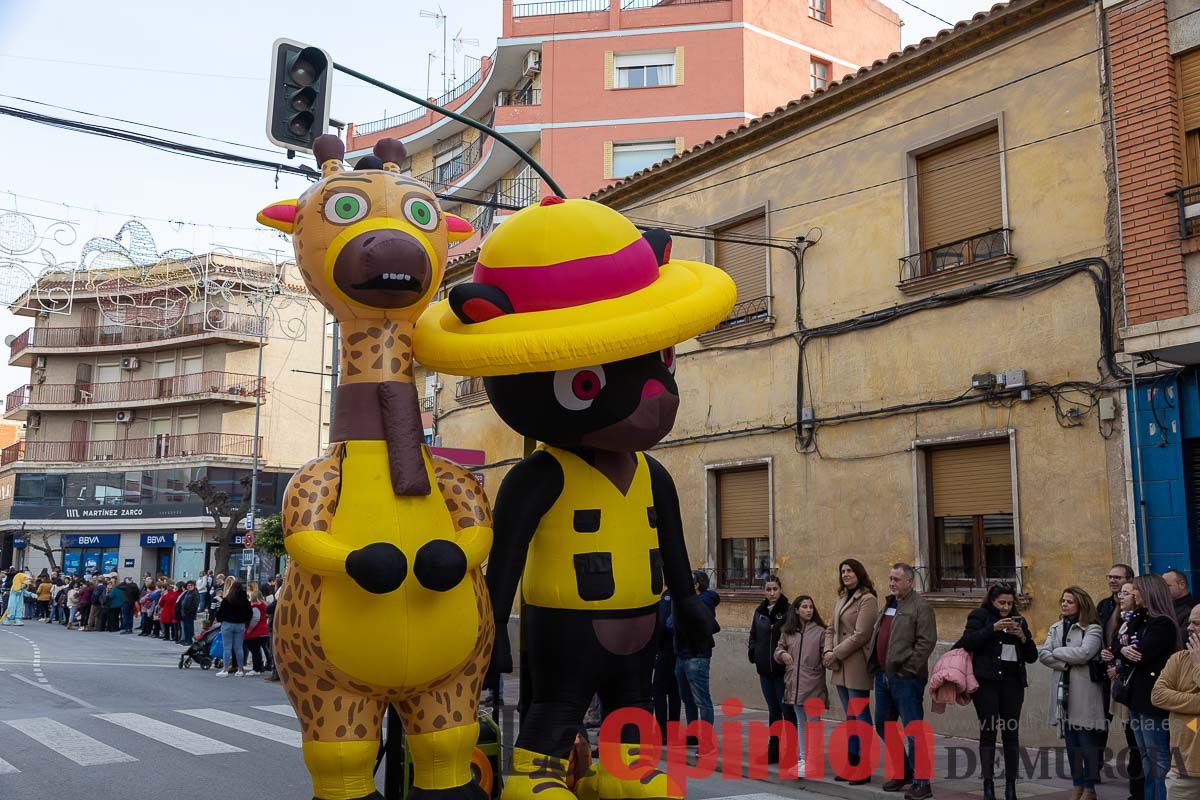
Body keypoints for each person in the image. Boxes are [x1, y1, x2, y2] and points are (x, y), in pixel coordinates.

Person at [957, 583, 1037, 800]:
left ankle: (1011, 787)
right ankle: (988, 785)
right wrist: (992, 629)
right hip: (986, 683)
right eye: (1002, 603)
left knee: (1011, 733)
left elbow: (1032, 656)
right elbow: (967, 642)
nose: (1006, 608)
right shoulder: (980, 616)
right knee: (989, 731)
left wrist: (1022, 636)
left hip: (1013, 684)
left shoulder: (1019, 620)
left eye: (1010, 603)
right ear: (992, 601)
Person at [867, 563, 936, 800]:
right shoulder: (889, 603)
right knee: (884, 725)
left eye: (897, 579)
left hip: (906, 678)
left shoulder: (921, 606)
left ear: (909, 581)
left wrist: (908, 669)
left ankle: (922, 782)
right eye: (890, 579)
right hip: (883, 675)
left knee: (913, 729)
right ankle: (905, 770)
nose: (892, 583)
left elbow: (926, 642)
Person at [1039, 586, 1107, 800]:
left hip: (1085, 693)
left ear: (1081, 604)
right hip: (1063, 693)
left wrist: (1057, 653)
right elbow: (1043, 654)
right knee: (1071, 745)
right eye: (1063, 601)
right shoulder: (1056, 627)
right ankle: (1077, 785)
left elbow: (1085, 653)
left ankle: (1090, 787)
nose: (1064, 605)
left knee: (1087, 743)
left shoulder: (1093, 628)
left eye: (1069, 601)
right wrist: (1066, 663)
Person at [1118, 575, 1180, 800]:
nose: (1132, 594)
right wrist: (1123, 651)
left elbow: (1140, 655)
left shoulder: (1162, 623)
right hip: (1136, 697)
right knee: (1145, 756)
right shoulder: (1140, 619)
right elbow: (1120, 642)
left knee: (1157, 758)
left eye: (1136, 590)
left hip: (1152, 700)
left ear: (1149, 592)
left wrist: (1125, 653)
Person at [823, 558, 878, 784]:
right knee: (850, 717)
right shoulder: (842, 597)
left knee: (860, 716)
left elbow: (861, 635)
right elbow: (831, 628)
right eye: (843, 571)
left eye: (850, 571)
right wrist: (827, 652)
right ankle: (852, 762)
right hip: (840, 665)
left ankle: (865, 766)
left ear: (859, 573)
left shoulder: (867, 599)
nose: (846, 574)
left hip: (856, 665)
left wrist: (835, 653)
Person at [1150, 602, 1200, 799]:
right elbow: (1158, 695)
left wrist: (1198, 665)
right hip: (1183, 767)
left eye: (1196, 623)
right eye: (1189, 622)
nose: (1189, 628)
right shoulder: (1178, 659)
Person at [775, 595, 828, 778]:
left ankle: (813, 762)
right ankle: (803, 759)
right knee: (800, 722)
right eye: (804, 607)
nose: (808, 610)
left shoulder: (821, 632)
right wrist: (782, 655)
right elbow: (778, 649)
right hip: (793, 684)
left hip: (813, 683)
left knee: (813, 723)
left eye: (811, 607)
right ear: (796, 610)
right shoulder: (788, 631)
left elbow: (825, 656)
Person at [1103, 576, 1146, 800]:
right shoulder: (1122, 620)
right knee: (1134, 742)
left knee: (1142, 747)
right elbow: (1119, 647)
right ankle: (1136, 790)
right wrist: (1112, 657)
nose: (1122, 597)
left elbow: (1137, 653)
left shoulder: (1142, 622)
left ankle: (1139, 792)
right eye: (1121, 593)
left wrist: (1119, 664)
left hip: (1135, 687)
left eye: (1127, 592)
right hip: (1124, 686)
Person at [749, 575, 795, 765]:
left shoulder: (788, 610)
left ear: (780, 589)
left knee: (787, 711)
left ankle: (792, 752)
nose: (772, 593)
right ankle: (773, 751)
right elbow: (753, 634)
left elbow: (792, 637)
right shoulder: (759, 611)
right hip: (764, 670)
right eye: (768, 589)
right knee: (773, 710)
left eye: (775, 589)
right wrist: (753, 653)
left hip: (781, 670)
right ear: (764, 591)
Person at [674, 570, 720, 750]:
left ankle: (707, 741)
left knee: (702, 700)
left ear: (696, 585)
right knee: (688, 699)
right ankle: (693, 736)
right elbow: (671, 622)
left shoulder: (704, 602)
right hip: (682, 654)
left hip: (697, 655)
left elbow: (675, 623)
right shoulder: (684, 602)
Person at [652, 589, 680, 742]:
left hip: (666, 649)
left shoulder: (668, 596)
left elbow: (662, 623)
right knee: (675, 691)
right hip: (680, 649)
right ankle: (673, 732)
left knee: (659, 691)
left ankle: (662, 732)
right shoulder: (685, 594)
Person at [214, 577, 252, 676]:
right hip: (240, 625)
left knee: (227, 648)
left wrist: (220, 620)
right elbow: (250, 613)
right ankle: (240, 669)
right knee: (239, 648)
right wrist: (245, 622)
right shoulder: (245, 600)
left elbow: (220, 613)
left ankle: (225, 669)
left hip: (227, 624)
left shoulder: (227, 600)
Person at [244, 587, 271, 674]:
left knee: (254, 650)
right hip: (264, 630)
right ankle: (263, 666)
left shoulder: (255, 607)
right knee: (262, 649)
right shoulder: (265, 605)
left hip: (256, 631)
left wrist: (249, 629)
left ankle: (257, 668)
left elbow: (255, 619)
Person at [1164, 570, 1195, 645]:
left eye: (1167, 586)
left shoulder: (1192, 609)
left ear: (1182, 585)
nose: (1163, 590)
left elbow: (1182, 638)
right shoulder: (1166, 606)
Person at [177, 580, 199, 644]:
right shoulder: (188, 592)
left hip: (190, 613)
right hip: (184, 613)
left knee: (189, 627)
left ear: (194, 586)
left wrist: (189, 611)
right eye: (188, 585)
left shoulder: (195, 593)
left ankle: (189, 640)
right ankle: (186, 639)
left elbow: (195, 604)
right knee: (186, 627)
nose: (189, 586)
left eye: (191, 585)